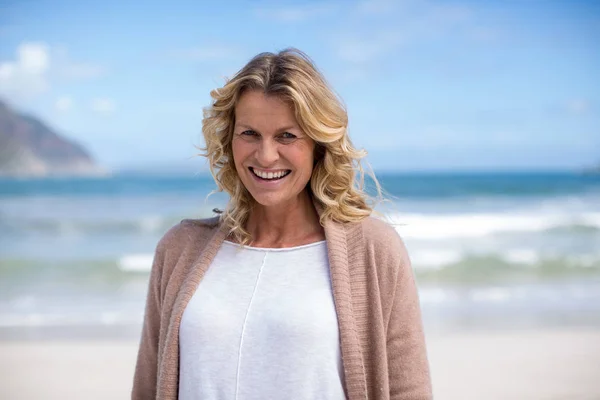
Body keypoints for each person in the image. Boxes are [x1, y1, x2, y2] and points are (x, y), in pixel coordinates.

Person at [132, 48, 432, 400]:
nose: (266, 155)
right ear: (229, 140)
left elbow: (407, 389)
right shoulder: (179, 249)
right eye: (249, 133)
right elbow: (148, 388)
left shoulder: (373, 250)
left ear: (318, 146)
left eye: (287, 136)